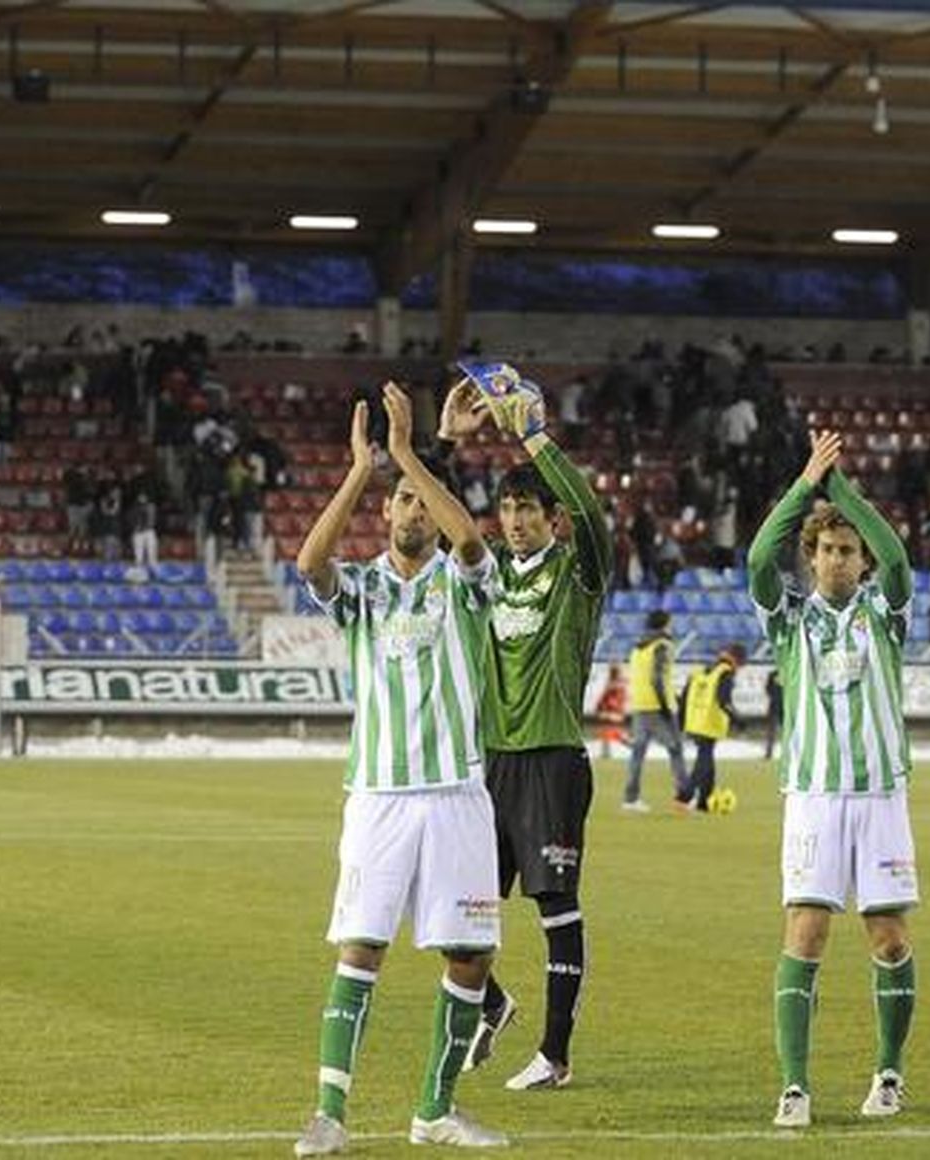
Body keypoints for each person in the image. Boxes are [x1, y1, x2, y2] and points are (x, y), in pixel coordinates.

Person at [292, 382, 506, 1156]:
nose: (414, 512)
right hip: (380, 796)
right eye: (404, 502)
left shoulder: (462, 584)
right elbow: (308, 561)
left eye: (423, 503)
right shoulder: (363, 590)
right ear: (385, 515)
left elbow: (474, 545)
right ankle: (329, 1115)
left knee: (470, 955)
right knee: (362, 946)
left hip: (456, 793)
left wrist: (413, 455)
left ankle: (434, 1111)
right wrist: (362, 471)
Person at [436, 368, 610, 1092]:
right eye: (506, 508)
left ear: (551, 518)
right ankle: (496, 1002)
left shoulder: (577, 572)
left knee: (554, 905)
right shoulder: (483, 573)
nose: (513, 520)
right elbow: (439, 516)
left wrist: (534, 437)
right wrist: (447, 445)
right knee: (453, 909)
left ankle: (556, 1054)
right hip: (491, 761)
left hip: (552, 758)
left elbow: (593, 516)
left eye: (527, 509)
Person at [749, 430, 919, 1129]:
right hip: (814, 798)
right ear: (812, 557)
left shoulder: (886, 612)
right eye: (827, 549)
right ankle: (795, 1086)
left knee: (888, 937)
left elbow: (900, 558)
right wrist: (805, 485)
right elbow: (760, 556)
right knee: (807, 931)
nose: (840, 559)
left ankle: (889, 1073)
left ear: (861, 558)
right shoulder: (788, 620)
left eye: (850, 550)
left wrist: (841, 486)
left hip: (879, 794)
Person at [624, 610, 690, 812]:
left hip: (639, 705)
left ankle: (630, 799)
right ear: (665, 624)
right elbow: (657, 678)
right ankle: (683, 796)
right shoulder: (663, 646)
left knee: (637, 754)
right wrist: (664, 706)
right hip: (658, 706)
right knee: (676, 750)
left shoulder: (637, 648)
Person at [677, 644, 745, 812]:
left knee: (707, 760)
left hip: (694, 721)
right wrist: (738, 720)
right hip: (709, 722)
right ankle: (685, 795)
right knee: (703, 761)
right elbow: (724, 701)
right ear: (737, 660)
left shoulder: (700, 671)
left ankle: (704, 802)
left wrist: (681, 721)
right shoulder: (725, 673)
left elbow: (684, 697)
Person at [593, 663, 627, 760]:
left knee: (613, 734)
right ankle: (608, 751)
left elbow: (602, 702)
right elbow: (602, 702)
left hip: (613, 714)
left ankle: (610, 749)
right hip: (612, 714)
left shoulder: (614, 686)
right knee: (611, 734)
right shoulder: (615, 686)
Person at [762, 668, 785, 761]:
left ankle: (789, 753)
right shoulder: (772, 674)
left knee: (787, 731)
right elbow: (767, 688)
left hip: (785, 707)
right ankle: (769, 753)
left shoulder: (789, 673)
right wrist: (774, 697)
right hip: (774, 706)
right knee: (772, 732)